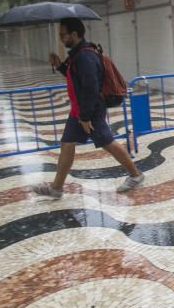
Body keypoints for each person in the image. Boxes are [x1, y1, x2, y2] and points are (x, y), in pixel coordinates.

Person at [31, 17, 144, 198]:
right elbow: (77, 79)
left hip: (89, 110)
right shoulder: (77, 54)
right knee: (67, 144)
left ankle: (136, 175)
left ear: (74, 34)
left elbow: (90, 88)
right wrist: (60, 65)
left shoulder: (85, 56)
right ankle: (56, 188)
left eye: (63, 34)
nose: (61, 38)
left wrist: (84, 117)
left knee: (108, 142)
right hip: (80, 109)